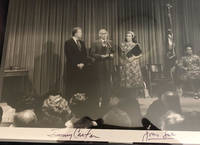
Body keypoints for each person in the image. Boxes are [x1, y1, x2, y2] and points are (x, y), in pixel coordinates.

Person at [90, 29, 115, 110]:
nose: (104, 35)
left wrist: (111, 55)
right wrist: (101, 56)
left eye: (105, 33)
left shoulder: (110, 42)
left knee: (107, 84)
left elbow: (113, 51)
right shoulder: (95, 42)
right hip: (99, 66)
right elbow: (92, 54)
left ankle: (106, 103)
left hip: (108, 66)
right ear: (99, 35)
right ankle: (97, 104)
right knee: (99, 84)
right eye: (102, 33)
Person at [64, 27, 90, 100]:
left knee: (80, 86)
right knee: (72, 86)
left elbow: (85, 55)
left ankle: (80, 103)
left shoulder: (82, 42)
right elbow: (69, 55)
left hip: (82, 68)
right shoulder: (68, 42)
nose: (81, 34)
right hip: (72, 68)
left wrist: (83, 63)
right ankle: (70, 102)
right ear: (75, 33)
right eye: (80, 32)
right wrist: (77, 64)